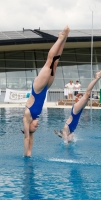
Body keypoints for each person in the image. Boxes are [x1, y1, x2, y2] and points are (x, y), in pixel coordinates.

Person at [22, 26, 70, 156]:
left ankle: (60, 38)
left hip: (37, 88)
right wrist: (30, 152)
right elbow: (30, 138)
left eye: (34, 127)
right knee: (55, 64)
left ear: (28, 126)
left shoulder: (27, 116)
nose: (37, 126)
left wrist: (25, 155)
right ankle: (64, 38)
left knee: (49, 62)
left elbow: (27, 138)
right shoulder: (33, 119)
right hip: (45, 88)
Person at [54, 68, 101, 144]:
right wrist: (60, 134)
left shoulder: (66, 129)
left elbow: (65, 139)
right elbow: (63, 135)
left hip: (75, 111)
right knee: (87, 96)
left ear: (67, 136)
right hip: (79, 111)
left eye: (71, 139)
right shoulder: (71, 131)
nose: (73, 137)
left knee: (87, 94)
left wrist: (66, 143)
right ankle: (96, 78)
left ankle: (96, 77)